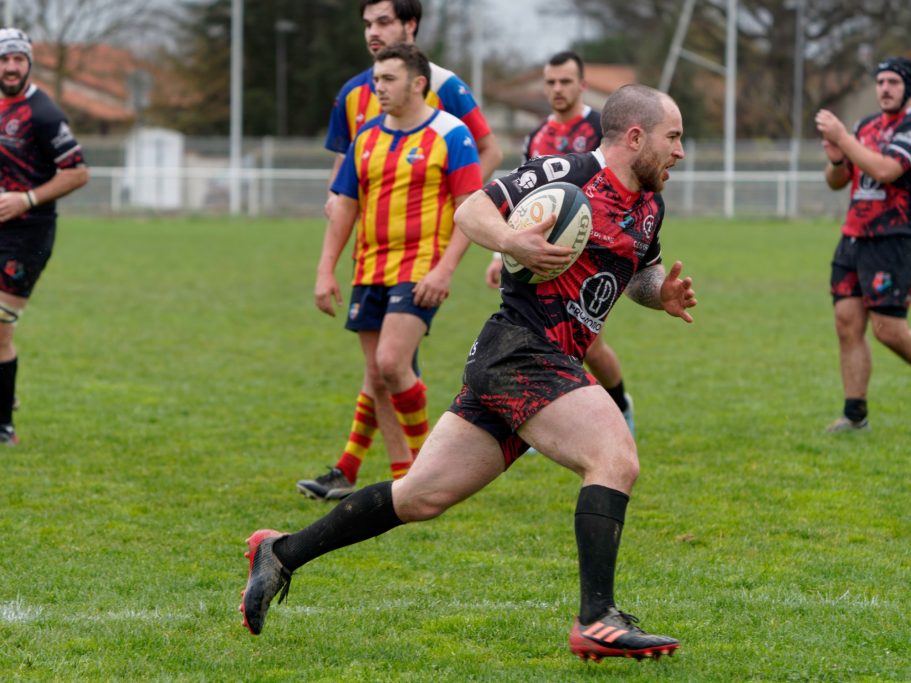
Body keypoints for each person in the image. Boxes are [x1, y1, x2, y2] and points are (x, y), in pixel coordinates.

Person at [240, 84, 694, 663]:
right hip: (522, 350)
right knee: (615, 457)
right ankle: (597, 618)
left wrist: (664, 294)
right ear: (635, 137)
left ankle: (281, 552)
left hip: (531, 363)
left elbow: (638, 276)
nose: (680, 151)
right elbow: (472, 207)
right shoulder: (571, 171)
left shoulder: (650, 205)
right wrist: (512, 243)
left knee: (420, 497)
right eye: (672, 137)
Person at [299, 0, 502, 499]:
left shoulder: (447, 98)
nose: (373, 31)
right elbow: (344, 192)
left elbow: (484, 160)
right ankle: (396, 477)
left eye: (383, 22)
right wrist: (327, 263)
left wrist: (459, 254)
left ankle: (421, 469)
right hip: (370, 261)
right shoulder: (357, 102)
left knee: (390, 364)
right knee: (380, 370)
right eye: (367, 23)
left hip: (421, 263)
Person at [483, 51, 635, 438]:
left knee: (589, 344)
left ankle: (619, 404)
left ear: (582, 85)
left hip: (590, 256)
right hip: (542, 252)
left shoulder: (602, 128)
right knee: (543, 338)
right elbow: (521, 200)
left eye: (565, 81)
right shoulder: (538, 136)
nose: (557, 89)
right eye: (550, 82)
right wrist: (501, 250)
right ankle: (545, 418)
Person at [0, 28, 89, 445]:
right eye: (4, 59)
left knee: (0, 327)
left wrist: (27, 199)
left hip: (28, 234)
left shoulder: (43, 112)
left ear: (29, 63)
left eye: (18, 59)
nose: (11, 67)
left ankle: (4, 425)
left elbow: (78, 171)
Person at [815, 56, 911, 433]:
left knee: (888, 330)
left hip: (892, 239)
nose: (885, 88)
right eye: (881, 82)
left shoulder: (908, 127)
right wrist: (838, 159)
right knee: (846, 323)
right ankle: (855, 416)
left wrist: (843, 139)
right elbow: (836, 180)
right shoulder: (864, 127)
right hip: (853, 236)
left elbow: (887, 171)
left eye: (894, 82)